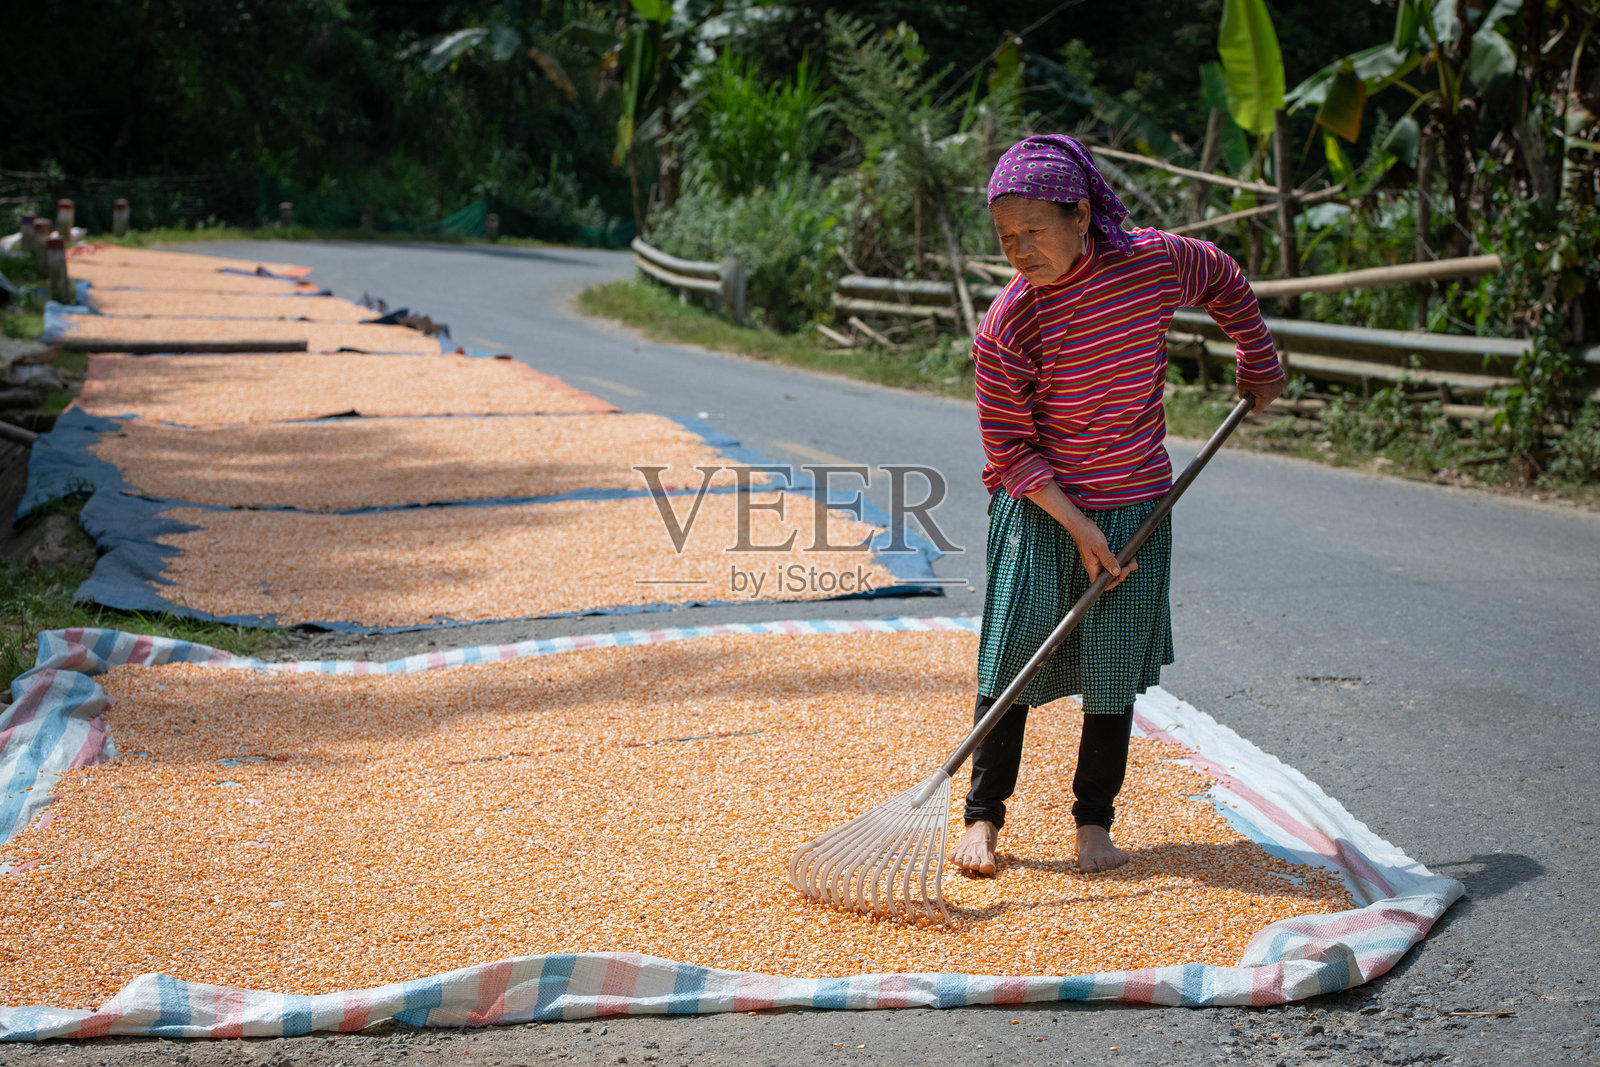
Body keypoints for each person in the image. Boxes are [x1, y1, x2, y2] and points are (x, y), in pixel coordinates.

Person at [949, 134, 1284, 877]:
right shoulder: (1010, 324)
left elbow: (1223, 276)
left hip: (1136, 502)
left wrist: (1257, 355)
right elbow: (1010, 450)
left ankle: (1094, 821)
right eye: (1006, 237)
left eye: (1035, 230)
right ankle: (983, 816)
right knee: (1011, 659)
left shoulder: (1152, 263)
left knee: (1111, 663)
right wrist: (1077, 527)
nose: (1021, 251)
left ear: (1081, 215)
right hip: (1042, 511)